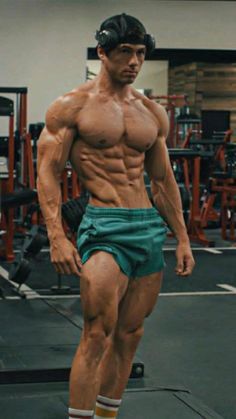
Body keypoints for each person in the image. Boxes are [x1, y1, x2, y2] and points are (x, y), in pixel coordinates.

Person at [37, 13, 195, 419]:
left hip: (147, 229)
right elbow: (48, 174)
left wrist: (182, 236)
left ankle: (108, 415)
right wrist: (56, 236)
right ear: (103, 53)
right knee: (96, 335)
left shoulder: (150, 113)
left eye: (141, 53)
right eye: (125, 51)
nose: (134, 62)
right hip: (104, 228)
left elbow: (162, 180)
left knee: (130, 334)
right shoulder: (71, 107)